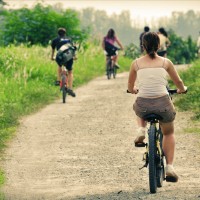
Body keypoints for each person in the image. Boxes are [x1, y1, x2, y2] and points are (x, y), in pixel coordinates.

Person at [127, 32, 187, 182]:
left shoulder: (136, 63)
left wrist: (133, 89)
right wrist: (181, 89)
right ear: (159, 46)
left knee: (138, 106)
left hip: (144, 105)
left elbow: (130, 86)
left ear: (143, 46)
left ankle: (141, 130)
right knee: (168, 133)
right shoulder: (166, 62)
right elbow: (178, 82)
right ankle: (170, 168)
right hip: (163, 104)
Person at [51, 27, 76, 97]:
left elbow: (53, 50)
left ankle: (58, 80)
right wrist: (74, 56)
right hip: (69, 57)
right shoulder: (69, 39)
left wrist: (52, 57)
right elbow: (73, 49)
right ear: (65, 33)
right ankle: (70, 89)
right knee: (70, 72)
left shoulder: (55, 40)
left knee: (59, 66)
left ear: (58, 33)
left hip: (60, 57)